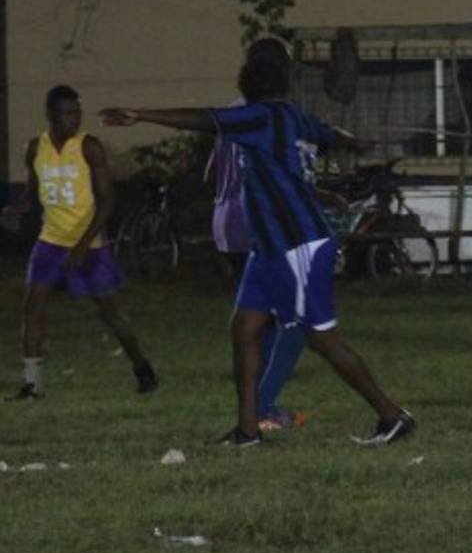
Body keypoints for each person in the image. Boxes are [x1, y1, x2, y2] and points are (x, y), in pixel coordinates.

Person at [101, 57, 415, 446]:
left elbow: (205, 118)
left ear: (248, 83)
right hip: (268, 247)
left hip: (297, 242)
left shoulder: (261, 117)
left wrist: (141, 114)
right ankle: (248, 430)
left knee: (321, 338)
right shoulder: (296, 118)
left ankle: (392, 416)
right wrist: (352, 141)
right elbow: (328, 133)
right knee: (244, 328)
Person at [3, 85, 158, 400]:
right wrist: (15, 209)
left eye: (77, 113)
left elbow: (107, 201)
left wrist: (84, 244)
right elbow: (32, 192)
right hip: (51, 240)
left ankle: (142, 367)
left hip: (90, 241)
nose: (74, 119)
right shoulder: (35, 148)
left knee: (111, 314)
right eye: (67, 113)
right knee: (32, 308)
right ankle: (33, 384)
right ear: (50, 115)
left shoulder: (89, 147)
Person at [205, 37, 306, 432]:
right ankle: (262, 405)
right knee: (292, 322)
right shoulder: (275, 116)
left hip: (224, 221)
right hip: (260, 220)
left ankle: (259, 405)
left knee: (256, 318)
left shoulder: (232, 112)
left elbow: (211, 173)